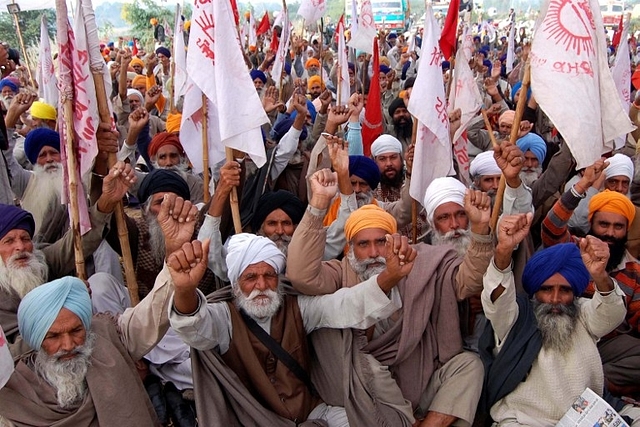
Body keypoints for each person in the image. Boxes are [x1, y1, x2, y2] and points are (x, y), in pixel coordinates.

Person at [169, 170, 417, 426]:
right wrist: (185, 290)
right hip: (254, 419)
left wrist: (389, 277)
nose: (262, 285)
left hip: (312, 411)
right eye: (251, 277)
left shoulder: (297, 307)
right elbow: (193, 325)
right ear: (235, 283)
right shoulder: (225, 317)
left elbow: (345, 304)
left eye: (269, 275)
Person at [287, 166, 495, 426]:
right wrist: (318, 206)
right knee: (367, 367)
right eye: (364, 244)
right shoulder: (339, 273)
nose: (374, 252)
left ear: (395, 240)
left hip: (418, 376)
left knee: (469, 365)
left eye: (382, 242)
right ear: (350, 248)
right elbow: (299, 276)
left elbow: (470, 282)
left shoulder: (422, 262)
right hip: (364, 387)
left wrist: (480, 230)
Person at [480, 212, 639, 425]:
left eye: (564, 290)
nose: (555, 299)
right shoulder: (516, 317)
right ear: (535, 291)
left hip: (585, 418)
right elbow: (497, 299)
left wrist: (600, 275)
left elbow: (611, 313)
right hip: (525, 421)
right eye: (546, 289)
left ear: (575, 292)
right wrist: (503, 251)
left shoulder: (582, 312)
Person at [0, 251, 178, 425]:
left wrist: (174, 261)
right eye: (53, 336)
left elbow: (152, 315)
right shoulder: (15, 385)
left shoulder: (108, 338)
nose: (69, 345)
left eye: (76, 331)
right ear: (35, 339)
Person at [0, 162, 137, 357]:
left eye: (25, 238)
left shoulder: (39, 262)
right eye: (9, 241)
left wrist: (106, 201)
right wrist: (64, 300)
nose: (20, 247)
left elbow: (76, 244)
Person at [542, 160, 640, 398]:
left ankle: (590, 386)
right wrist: (582, 185)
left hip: (603, 346)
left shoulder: (633, 271)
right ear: (592, 224)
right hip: (564, 334)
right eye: (603, 224)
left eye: (618, 227)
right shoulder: (574, 249)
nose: (609, 233)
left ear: (626, 230)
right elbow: (551, 227)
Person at [370, 134, 427, 240]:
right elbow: (403, 212)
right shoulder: (370, 191)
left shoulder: (416, 180)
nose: (389, 164)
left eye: (393, 157)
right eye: (382, 159)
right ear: (374, 162)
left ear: (401, 159)